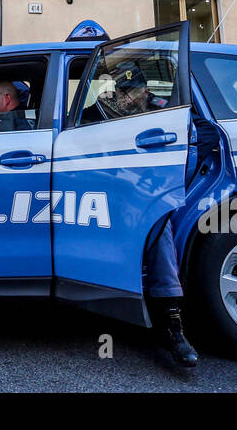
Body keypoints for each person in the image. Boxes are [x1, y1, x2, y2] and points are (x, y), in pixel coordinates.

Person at [82, 59, 198, 367]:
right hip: (103, 185)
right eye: (122, 89)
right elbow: (77, 133)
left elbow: (189, 150)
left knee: (159, 225)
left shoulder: (164, 110)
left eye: (132, 91)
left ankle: (172, 322)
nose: (127, 97)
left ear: (145, 90)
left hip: (148, 191)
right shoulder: (104, 108)